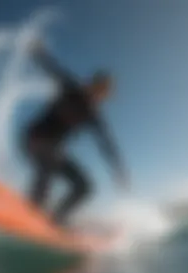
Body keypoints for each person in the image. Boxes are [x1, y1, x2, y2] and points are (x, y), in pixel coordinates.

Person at [22, 40, 129, 227]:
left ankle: (57, 218)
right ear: (93, 84)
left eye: (104, 93)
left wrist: (118, 169)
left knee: (85, 186)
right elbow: (54, 70)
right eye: (100, 88)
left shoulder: (94, 115)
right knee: (51, 160)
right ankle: (32, 209)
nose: (100, 95)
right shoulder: (72, 88)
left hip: (54, 149)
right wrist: (38, 53)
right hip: (34, 138)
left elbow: (107, 143)